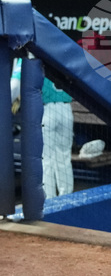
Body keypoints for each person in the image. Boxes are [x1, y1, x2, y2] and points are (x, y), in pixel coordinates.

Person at [10, 59, 74, 199]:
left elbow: (14, 86)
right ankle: (66, 198)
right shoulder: (58, 52)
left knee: (46, 158)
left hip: (46, 110)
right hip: (66, 109)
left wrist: (10, 101)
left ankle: (50, 200)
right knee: (63, 157)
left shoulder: (30, 55)